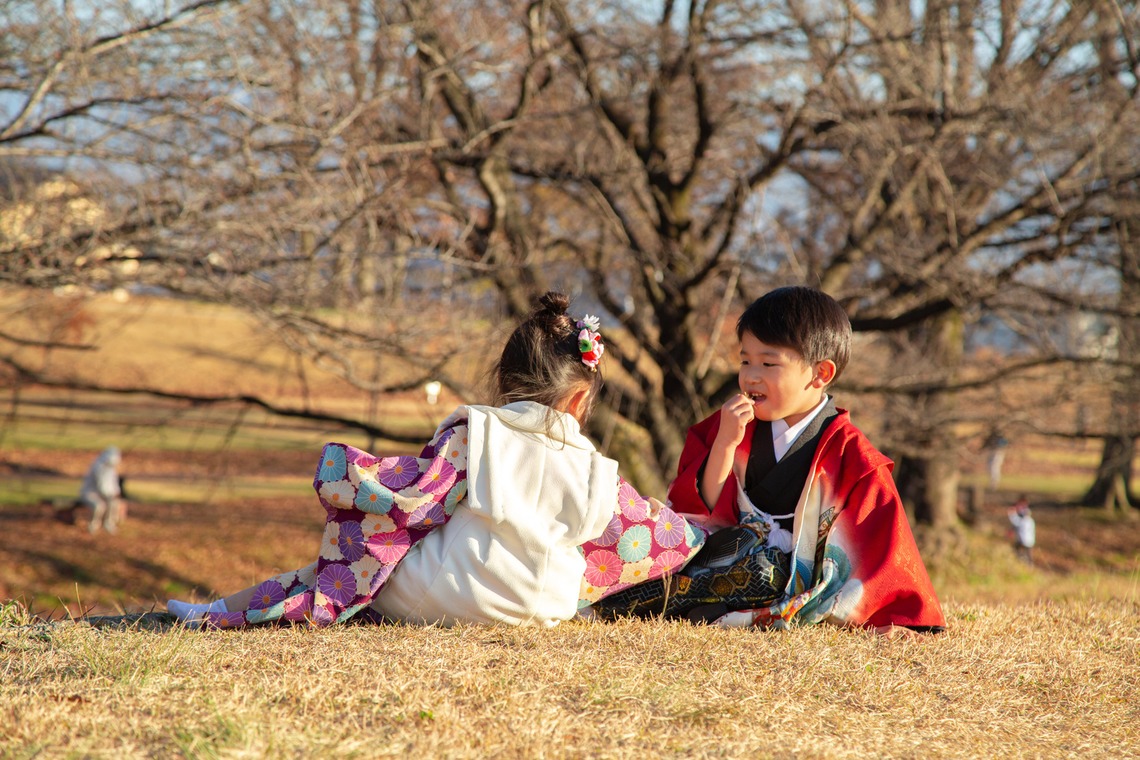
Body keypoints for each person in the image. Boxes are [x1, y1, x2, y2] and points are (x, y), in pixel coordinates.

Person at [167, 292, 706, 628]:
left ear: (504, 383)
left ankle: (220, 611)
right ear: (578, 401)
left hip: (445, 593)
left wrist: (356, 480)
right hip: (544, 607)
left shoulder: (477, 433)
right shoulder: (598, 470)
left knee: (331, 574)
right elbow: (643, 532)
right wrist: (697, 532)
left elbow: (417, 500)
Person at [594, 286, 947, 635]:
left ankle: (702, 606)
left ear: (821, 373)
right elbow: (698, 514)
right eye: (745, 360)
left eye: (768, 363)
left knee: (761, 574)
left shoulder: (851, 455)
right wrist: (725, 444)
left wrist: (893, 618)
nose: (751, 375)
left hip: (790, 582)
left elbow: (881, 549)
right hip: (723, 562)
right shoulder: (731, 424)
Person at [80, 446, 125, 535]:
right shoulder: (98, 467)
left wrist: (117, 492)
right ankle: (93, 525)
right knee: (99, 506)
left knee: (114, 503)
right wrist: (110, 494)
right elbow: (101, 485)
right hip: (90, 493)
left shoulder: (111, 469)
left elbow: (113, 483)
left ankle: (109, 523)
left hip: (105, 493)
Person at [1007, 495, 1035, 565]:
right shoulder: (1028, 518)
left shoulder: (1023, 518)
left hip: (1024, 539)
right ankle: (1028, 563)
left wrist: (1011, 514)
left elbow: (1016, 522)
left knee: (1018, 550)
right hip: (1029, 540)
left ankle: (1021, 561)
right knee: (1026, 552)